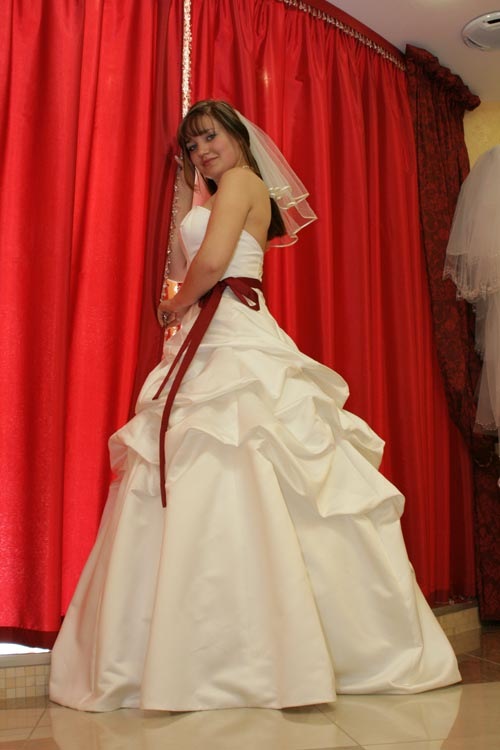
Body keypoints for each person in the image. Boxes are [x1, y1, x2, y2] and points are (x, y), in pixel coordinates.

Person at [49, 100, 460, 712]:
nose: (201, 152)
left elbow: (212, 264)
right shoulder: (221, 193)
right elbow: (191, 257)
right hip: (215, 329)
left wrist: (173, 306)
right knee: (225, 463)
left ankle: (235, 653)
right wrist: (186, 207)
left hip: (229, 328)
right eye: (191, 146)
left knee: (235, 457)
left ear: (237, 136)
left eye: (209, 137)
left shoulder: (242, 182)